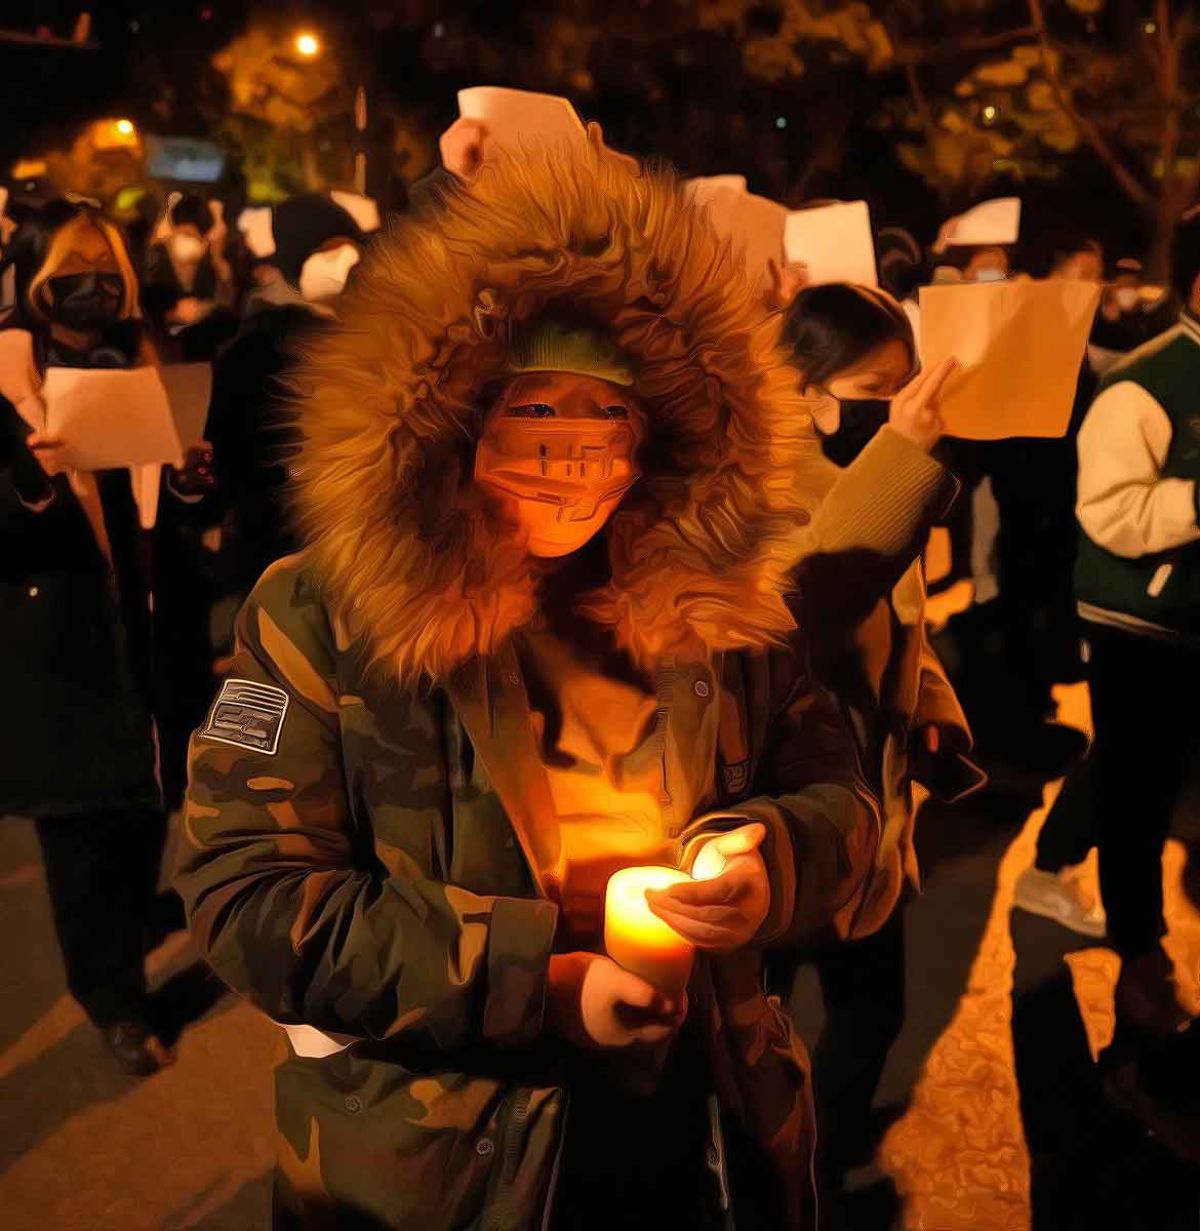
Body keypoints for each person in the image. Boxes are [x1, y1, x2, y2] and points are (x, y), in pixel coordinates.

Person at [177, 138, 898, 1230]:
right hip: (445, 1159)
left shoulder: (721, 598)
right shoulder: (327, 615)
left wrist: (774, 864)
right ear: (449, 417)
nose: (573, 454)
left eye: (606, 418)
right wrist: (540, 983)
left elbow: (837, 786)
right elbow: (249, 896)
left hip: (709, 1128)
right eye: (534, 413)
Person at [775, 283, 981, 1215]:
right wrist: (902, 453)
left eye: (907, 388)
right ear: (804, 389)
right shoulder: (764, 488)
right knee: (763, 1023)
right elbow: (812, 606)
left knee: (872, 1008)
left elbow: (904, 624)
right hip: (780, 814)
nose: (898, 408)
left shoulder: (879, 472)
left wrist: (929, 704)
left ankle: (827, 1147)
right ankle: (775, 1170)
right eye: (875, 388)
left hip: (874, 808)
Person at [0, 199, 198, 1076]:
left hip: (154, 639)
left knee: (147, 805)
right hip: (60, 656)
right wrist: (27, 485)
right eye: (68, 272)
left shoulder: (155, 367)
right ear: (32, 280)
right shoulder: (7, 392)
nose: (89, 288)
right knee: (81, 839)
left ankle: (133, 919)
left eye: (103, 272)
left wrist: (196, 476)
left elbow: (193, 522)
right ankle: (113, 998)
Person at [1064, 209, 1200, 1053]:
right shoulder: (1145, 382)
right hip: (1142, 623)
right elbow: (1108, 513)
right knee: (1137, 790)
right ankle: (1138, 952)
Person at [204, 193, 364, 596]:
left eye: (352, 246)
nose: (346, 259)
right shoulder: (256, 348)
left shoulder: (371, 332)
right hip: (285, 545)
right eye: (327, 251)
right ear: (295, 263)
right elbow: (234, 452)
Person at [141, 192, 236, 359]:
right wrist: (170, 314)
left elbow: (226, 307)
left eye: (193, 237)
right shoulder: (157, 258)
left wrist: (218, 259)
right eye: (183, 234)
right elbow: (144, 307)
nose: (186, 241)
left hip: (200, 353)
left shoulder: (210, 264)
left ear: (204, 238)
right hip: (163, 352)